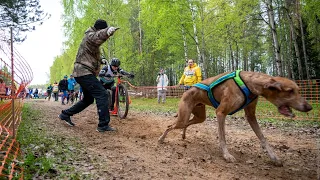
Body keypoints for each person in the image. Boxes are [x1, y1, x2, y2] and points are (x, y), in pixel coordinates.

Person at [58, 19, 119, 132]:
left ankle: (65, 114)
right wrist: (107, 32)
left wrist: (101, 60)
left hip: (82, 73)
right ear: (100, 29)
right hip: (84, 72)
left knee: (89, 99)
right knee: (102, 94)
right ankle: (103, 125)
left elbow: (90, 54)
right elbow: (97, 37)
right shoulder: (90, 36)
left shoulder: (90, 40)